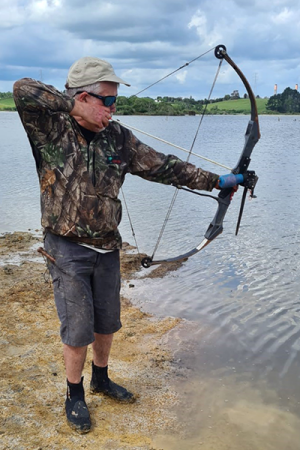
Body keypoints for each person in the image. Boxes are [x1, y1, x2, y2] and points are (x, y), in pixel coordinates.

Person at [13, 57, 227, 434]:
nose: (114, 108)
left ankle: (101, 378)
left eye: (115, 102)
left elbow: (165, 167)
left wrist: (219, 181)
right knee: (77, 325)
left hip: (108, 247)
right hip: (65, 248)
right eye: (108, 101)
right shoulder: (49, 129)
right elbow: (22, 89)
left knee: (107, 321)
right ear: (84, 97)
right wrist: (73, 107)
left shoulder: (119, 138)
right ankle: (74, 393)